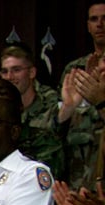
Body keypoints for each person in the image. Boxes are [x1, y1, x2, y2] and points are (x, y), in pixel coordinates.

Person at [58, 2, 105, 191]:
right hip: (77, 171)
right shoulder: (73, 69)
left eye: (104, 18)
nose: (100, 24)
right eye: (94, 19)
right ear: (87, 26)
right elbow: (60, 124)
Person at [0, 44, 64, 178]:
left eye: (16, 70)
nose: (9, 77)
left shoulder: (50, 104)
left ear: (32, 73)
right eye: (4, 71)